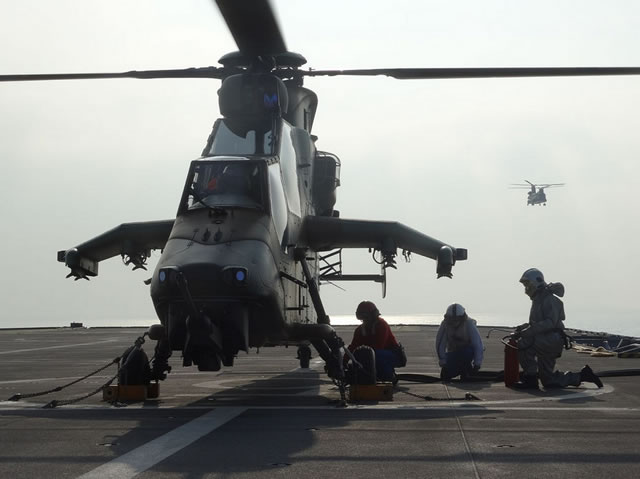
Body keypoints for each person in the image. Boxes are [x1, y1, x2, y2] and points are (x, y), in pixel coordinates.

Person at [512, 267, 603, 390]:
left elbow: (550, 322)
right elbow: (537, 323)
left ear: (535, 282)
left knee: (524, 344)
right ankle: (582, 376)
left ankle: (531, 378)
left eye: (527, 284)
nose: (526, 288)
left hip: (550, 340)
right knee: (549, 381)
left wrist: (527, 332)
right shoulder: (539, 299)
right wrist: (522, 328)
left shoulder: (548, 299)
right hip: (546, 339)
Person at [346, 301, 403, 382]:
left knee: (375, 355)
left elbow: (379, 346)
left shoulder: (382, 325)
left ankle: (389, 377)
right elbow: (353, 347)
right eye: (363, 317)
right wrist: (343, 362)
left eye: (366, 317)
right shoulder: (359, 330)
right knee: (361, 357)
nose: (365, 320)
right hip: (373, 354)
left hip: (393, 355)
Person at [436, 303, 484, 381]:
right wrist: (443, 361)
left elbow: (478, 344)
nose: (455, 322)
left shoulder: (469, 324)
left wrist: (477, 364)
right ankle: (461, 370)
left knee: (467, 353)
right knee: (446, 374)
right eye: (452, 320)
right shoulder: (445, 325)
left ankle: (466, 370)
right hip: (452, 354)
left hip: (467, 353)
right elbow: (440, 344)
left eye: (457, 319)